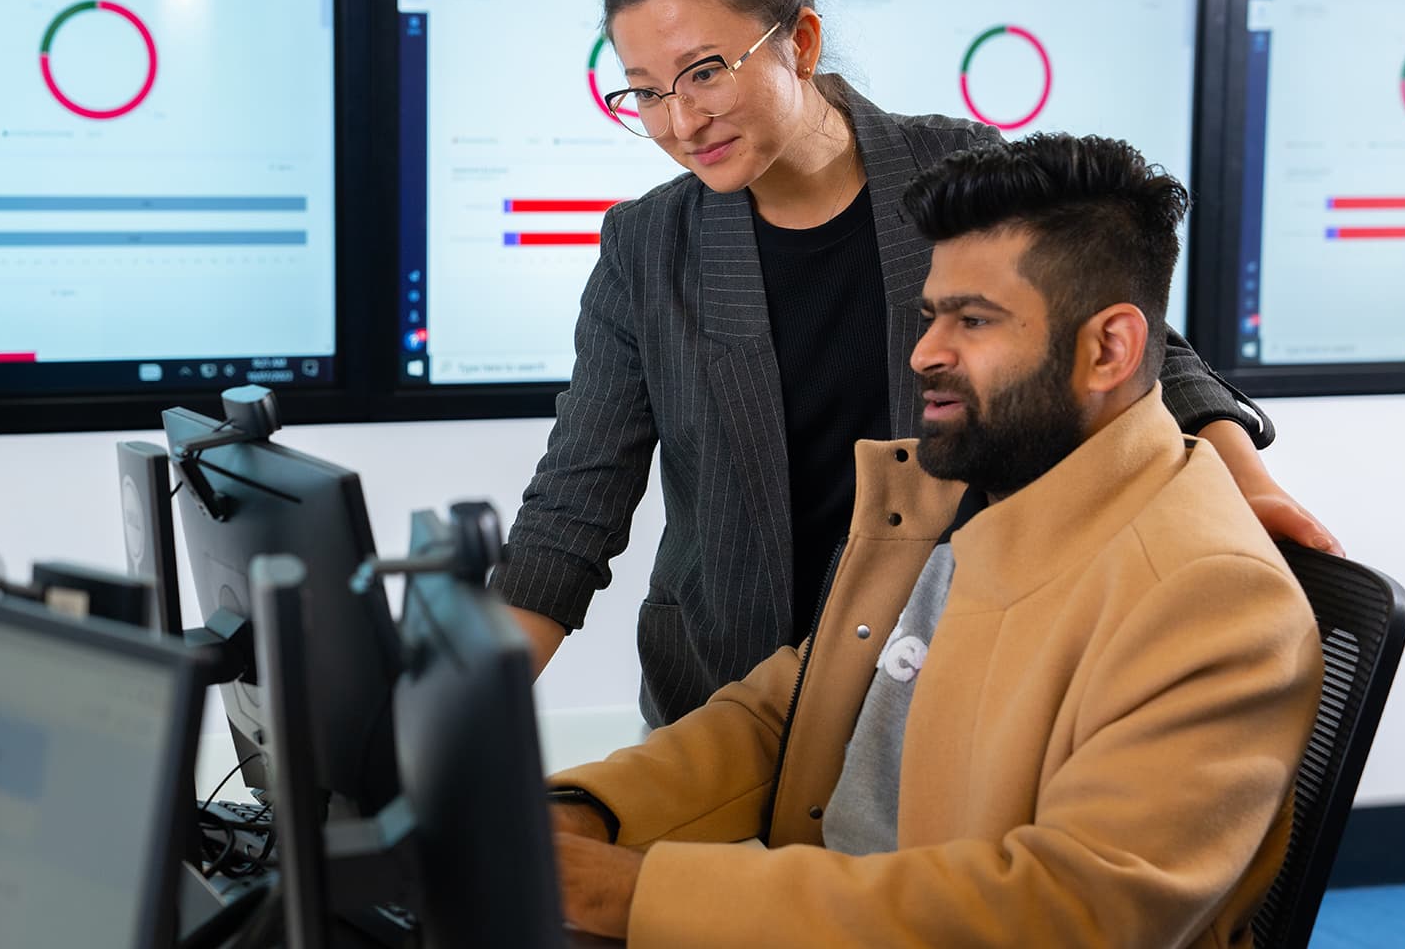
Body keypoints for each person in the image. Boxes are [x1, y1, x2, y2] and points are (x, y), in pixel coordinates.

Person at [491, 0, 1336, 728]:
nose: (680, 121)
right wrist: (452, 718)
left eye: (705, 72)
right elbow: (572, 507)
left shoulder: (953, 172)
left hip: (940, 686)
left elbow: (1131, 335)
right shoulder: (648, 247)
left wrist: (1244, 477)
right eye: (645, 91)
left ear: (803, 43)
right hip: (723, 697)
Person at [543, 133, 1324, 946]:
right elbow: (790, 712)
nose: (925, 352)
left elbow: (1064, 915)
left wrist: (635, 894)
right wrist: (582, 816)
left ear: (1110, 349)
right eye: (930, 316)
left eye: (973, 321)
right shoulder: (966, 495)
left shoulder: (1209, 599)